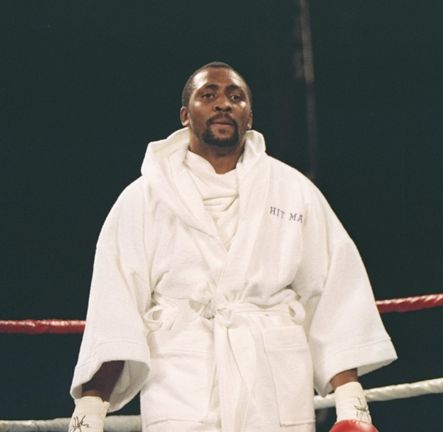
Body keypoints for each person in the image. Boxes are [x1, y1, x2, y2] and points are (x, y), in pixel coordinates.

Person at [68, 61, 397, 432]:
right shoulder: (142, 199)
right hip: (180, 379)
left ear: (250, 117)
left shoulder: (293, 190)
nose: (223, 104)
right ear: (185, 115)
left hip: (272, 381)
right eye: (208, 95)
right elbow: (116, 303)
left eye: (235, 97)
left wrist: (353, 406)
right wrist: (90, 411)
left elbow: (333, 292)